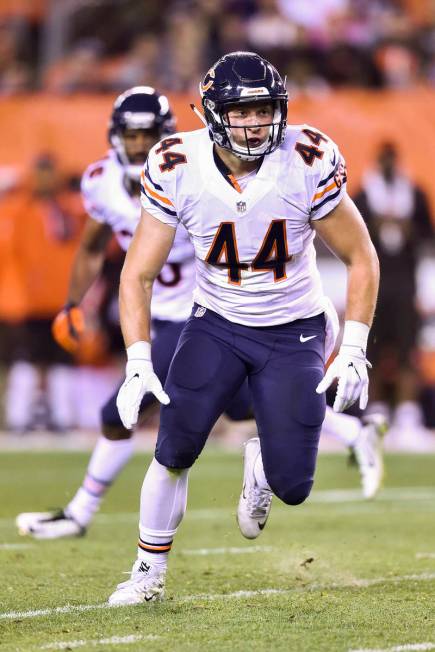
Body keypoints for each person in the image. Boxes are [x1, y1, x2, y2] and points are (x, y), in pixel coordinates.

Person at [107, 51, 379, 606]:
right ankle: (147, 573)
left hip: (294, 328)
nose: (256, 123)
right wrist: (137, 360)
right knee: (174, 448)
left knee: (294, 487)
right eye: (242, 111)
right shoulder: (176, 163)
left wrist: (354, 348)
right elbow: (138, 273)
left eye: (265, 109)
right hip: (216, 322)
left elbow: (362, 257)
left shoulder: (307, 158)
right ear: (212, 113)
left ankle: (261, 464)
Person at [15, 86, 253, 539]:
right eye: (132, 135)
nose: (141, 145)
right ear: (115, 137)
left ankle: (83, 515)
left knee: (121, 412)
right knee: (242, 407)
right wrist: (73, 303)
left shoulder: (193, 175)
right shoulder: (102, 182)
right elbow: (89, 248)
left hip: (202, 314)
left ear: (166, 135)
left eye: (149, 135)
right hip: (151, 313)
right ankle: (351, 424)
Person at [354, 142, 434, 443]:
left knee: (406, 352)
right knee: (370, 351)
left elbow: (428, 233)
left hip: (405, 283)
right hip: (373, 283)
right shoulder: (363, 195)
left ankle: (407, 416)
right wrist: (377, 226)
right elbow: (352, 237)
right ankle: (375, 414)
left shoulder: (414, 193)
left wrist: (407, 227)